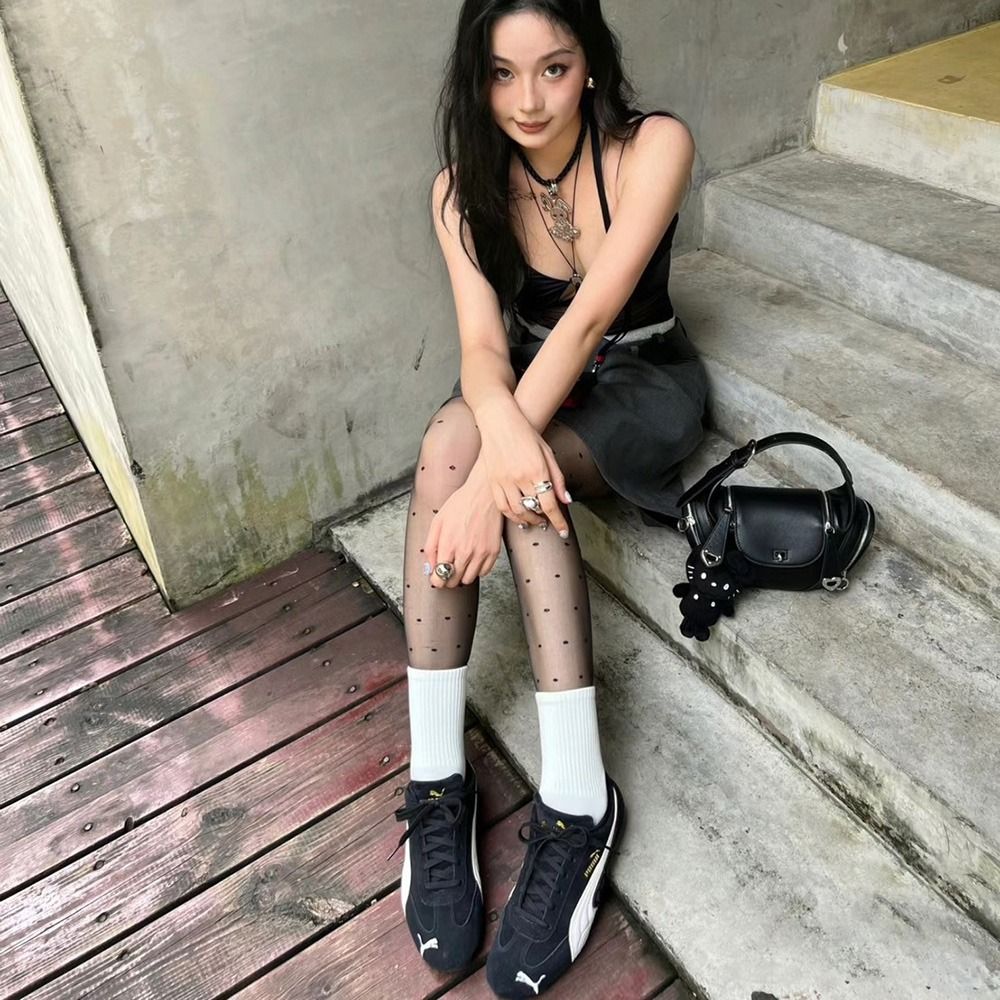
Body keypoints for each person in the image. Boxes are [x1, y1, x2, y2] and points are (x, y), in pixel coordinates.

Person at [390, 1, 707, 995]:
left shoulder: (652, 147)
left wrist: (496, 481)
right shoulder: (460, 190)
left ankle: (578, 801)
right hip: (532, 385)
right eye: (501, 73)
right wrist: (492, 447)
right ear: (475, 78)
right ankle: (435, 778)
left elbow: (588, 321)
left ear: (591, 64)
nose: (527, 100)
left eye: (554, 69)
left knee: (513, 480)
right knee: (453, 437)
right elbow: (484, 351)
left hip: (638, 383)